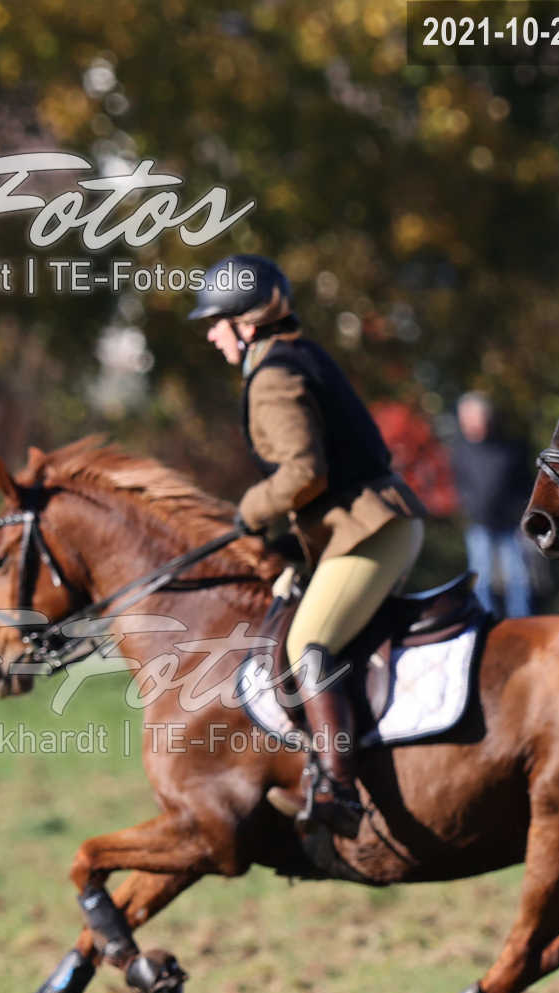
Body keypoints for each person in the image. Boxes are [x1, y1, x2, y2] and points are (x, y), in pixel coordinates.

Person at [190, 253, 427, 837]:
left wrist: (249, 511)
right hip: (358, 526)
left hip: (372, 527)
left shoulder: (273, 376)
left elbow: (304, 474)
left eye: (217, 321)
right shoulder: (294, 355)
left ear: (246, 323)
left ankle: (338, 788)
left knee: (306, 642)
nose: (211, 334)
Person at [448, 391, 535, 618]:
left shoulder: (510, 447)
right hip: (479, 524)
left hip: (511, 524)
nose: (470, 423)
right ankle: (485, 622)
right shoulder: (459, 450)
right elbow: (460, 484)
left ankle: (521, 621)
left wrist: (519, 511)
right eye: (466, 418)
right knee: (481, 579)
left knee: (518, 578)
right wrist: (469, 508)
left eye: (475, 417)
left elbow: (526, 484)